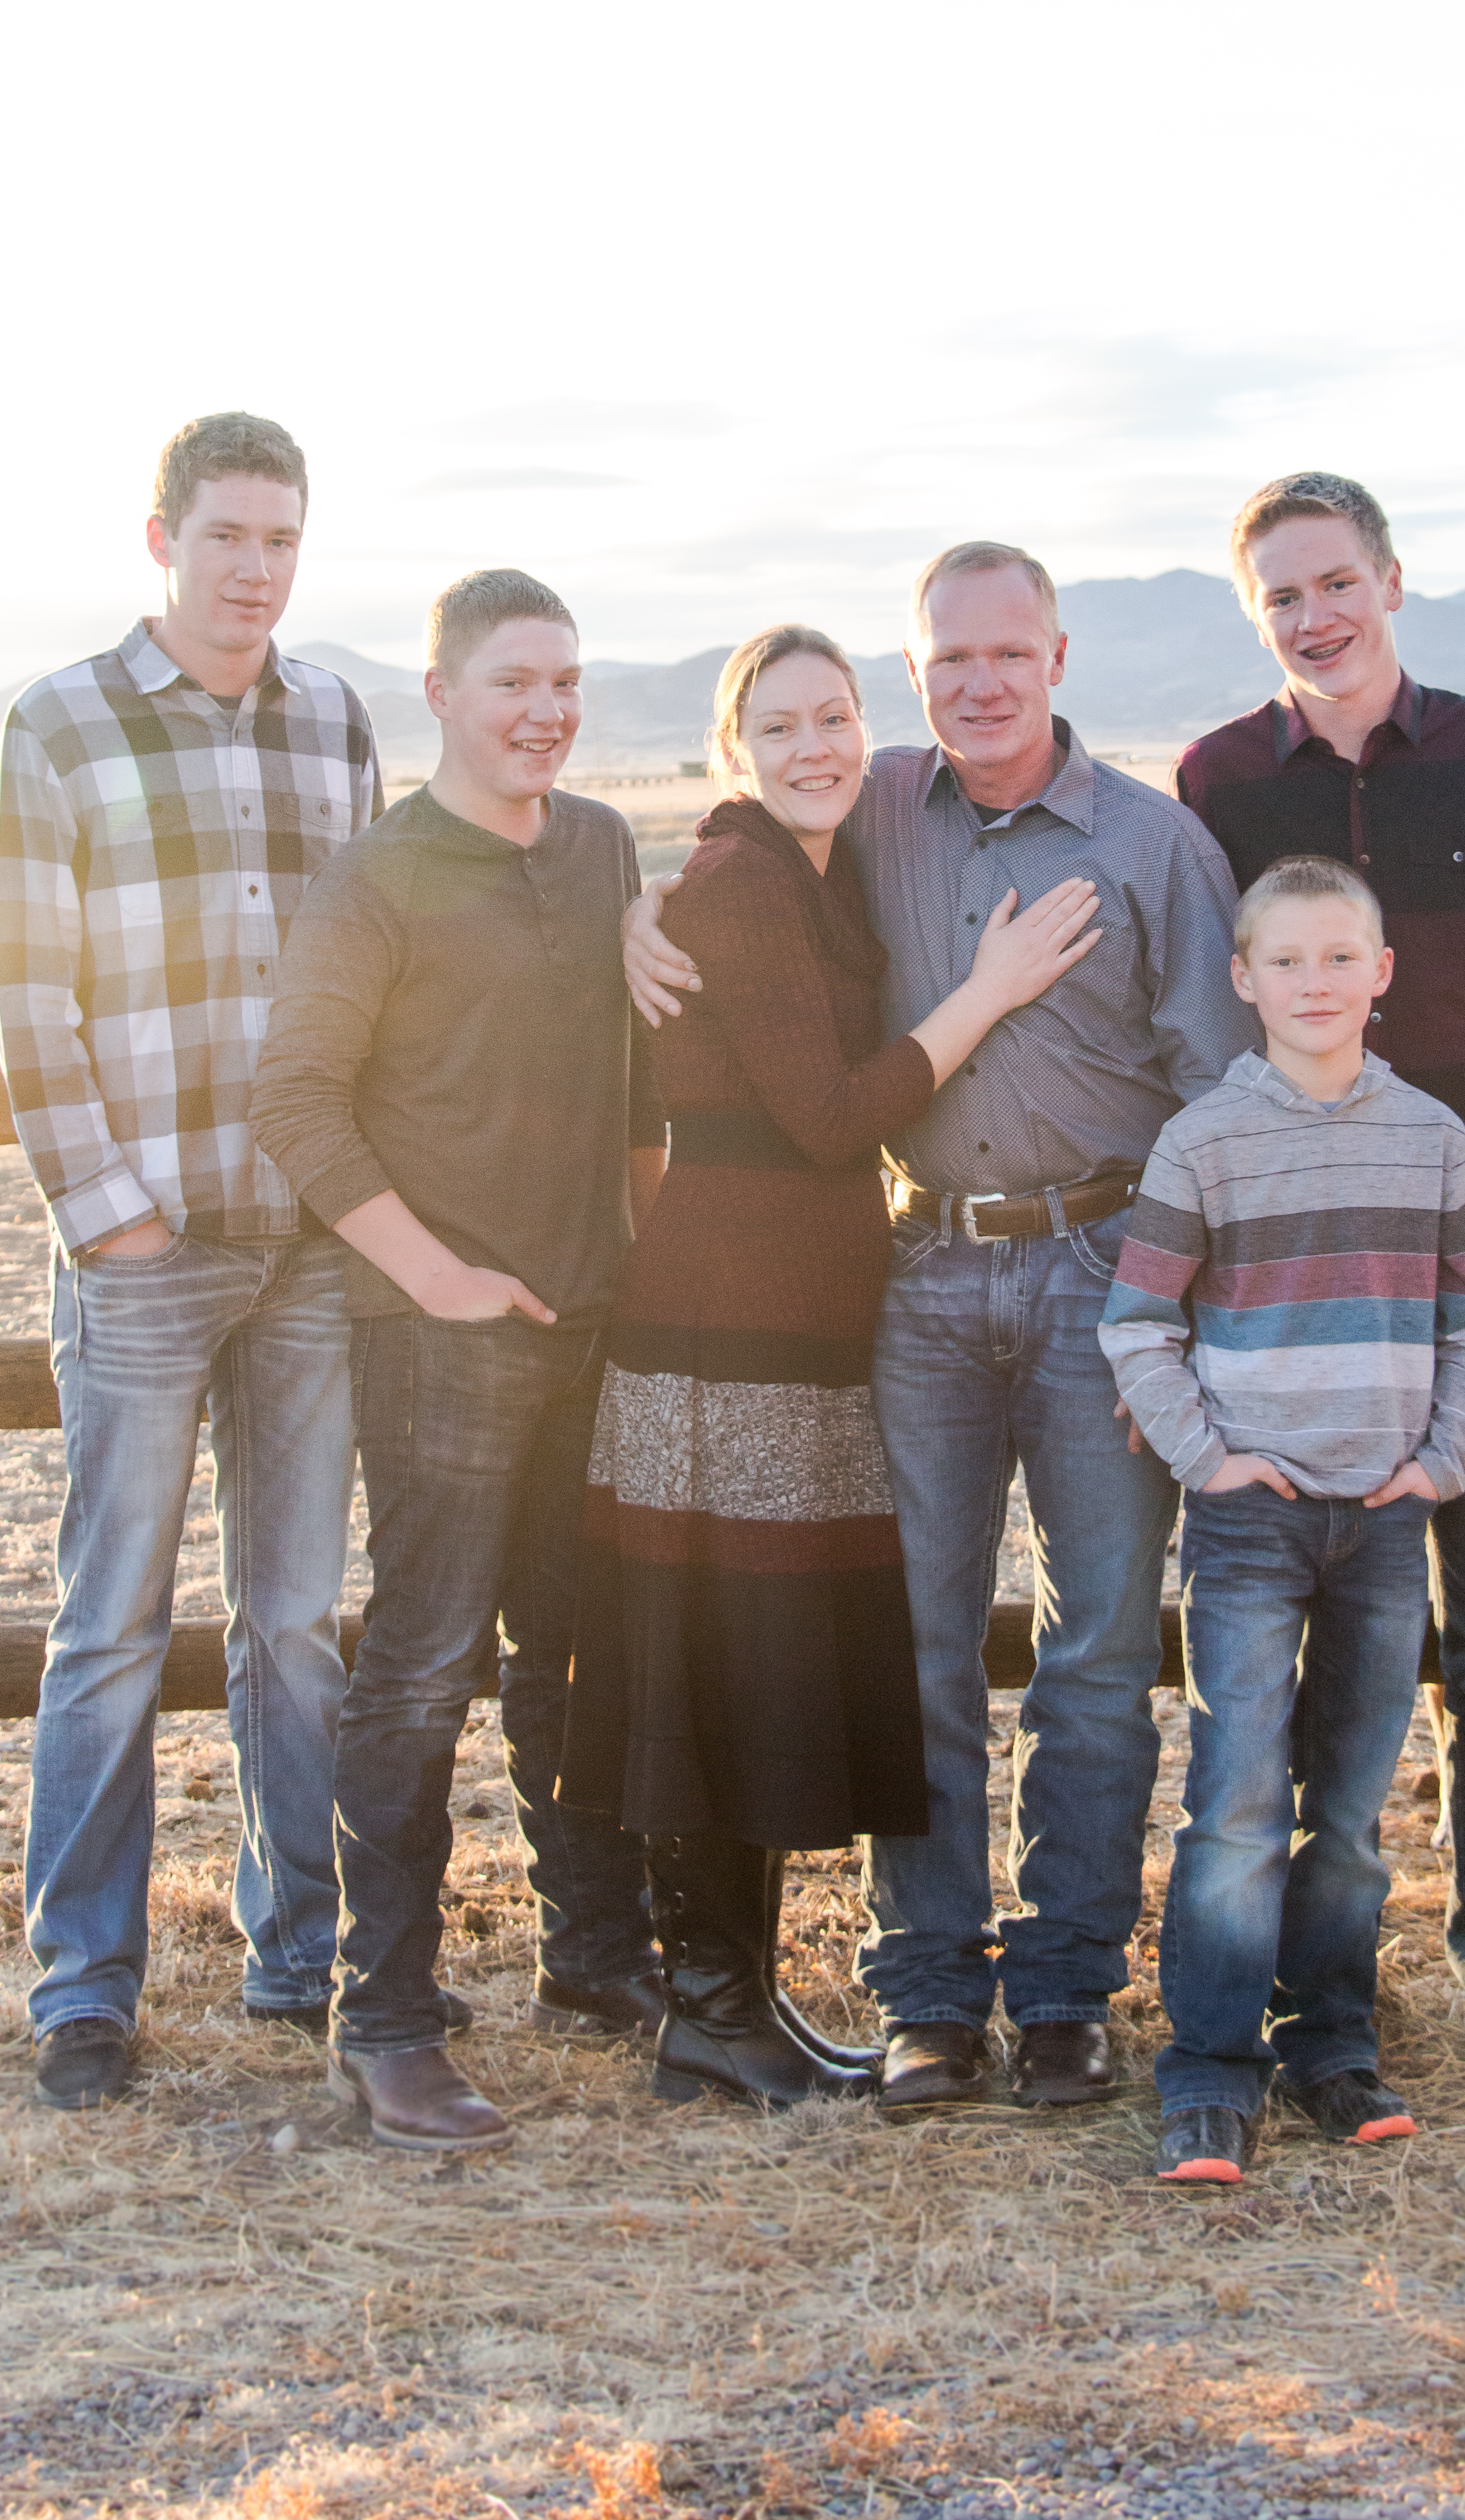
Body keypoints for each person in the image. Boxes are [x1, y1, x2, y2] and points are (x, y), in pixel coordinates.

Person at [625, 545, 1250, 2114]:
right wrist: (642, 908)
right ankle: (928, 1996)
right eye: (949, 660)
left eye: (1009, 654)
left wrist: (1172, 1310)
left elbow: (1215, 1097)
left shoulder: (1154, 844)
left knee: (1098, 1648)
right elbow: (747, 840)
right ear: (916, 677)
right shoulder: (881, 804)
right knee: (918, 1642)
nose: (981, 683)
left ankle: (1065, 1993)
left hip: (1103, 1268)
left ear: (1058, 658)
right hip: (923, 1272)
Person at [563, 623, 1104, 2112]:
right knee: (711, 1656)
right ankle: (707, 2010)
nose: (814, 748)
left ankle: (739, 2002)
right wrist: (990, 988)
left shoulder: (808, 870)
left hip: (788, 1322)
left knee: (747, 1657)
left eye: (835, 718)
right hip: (721, 1323)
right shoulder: (742, 883)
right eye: (780, 726)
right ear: (732, 749)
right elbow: (827, 1118)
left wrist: (646, 902)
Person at [1172, 470, 1465, 2086]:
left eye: (1335, 582)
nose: (1313, 616)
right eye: (1281, 596)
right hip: (1302, 1304)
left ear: (1391, 578)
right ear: (1256, 615)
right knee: (1308, 1648)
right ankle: (1312, 1993)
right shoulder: (1221, 780)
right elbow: (1209, 1016)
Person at [0, 410, 379, 2110]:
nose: (256, 569)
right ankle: (85, 1987)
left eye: (281, 539)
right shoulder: (61, 722)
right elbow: (27, 992)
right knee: (112, 1627)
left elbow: (377, 973)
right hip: (144, 1251)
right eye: (228, 535)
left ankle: (299, 1955)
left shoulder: (336, 719)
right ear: (164, 539)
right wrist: (110, 1213)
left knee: (296, 1622)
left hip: (307, 1246)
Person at [250, 569, 667, 2153]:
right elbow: (296, 1099)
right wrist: (438, 1279)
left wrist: (642, 1256)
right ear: (440, 694)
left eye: (565, 682)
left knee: (577, 1650)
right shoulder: (379, 879)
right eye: (513, 683)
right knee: (424, 1667)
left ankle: (595, 1955)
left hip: (590, 1323)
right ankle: (387, 2022)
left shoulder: (602, 845)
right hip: (440, 1339)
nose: (546, 711)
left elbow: (633, 1087)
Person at [1099, 856, 1465, 2184]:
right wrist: (1208, 1461)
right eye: (1287, 961)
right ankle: (1209, 2071)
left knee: (1350, 1810)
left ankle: (1331, 2046)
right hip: (1250, 1522)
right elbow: (1138, 1324)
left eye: (1340, 959)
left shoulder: (1431, 1136)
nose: (1315, 984)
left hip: (1383, 1517)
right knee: (1235, 1803)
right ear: (1244, 980)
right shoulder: (1204, 1140)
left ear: (1381, 973)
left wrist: (1440, 1462)